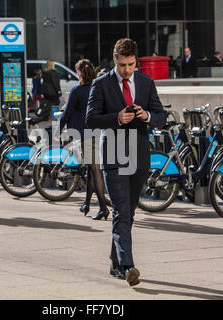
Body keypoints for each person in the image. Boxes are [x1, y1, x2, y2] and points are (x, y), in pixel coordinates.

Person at [86, 38, 166, 286]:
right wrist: (117, 118)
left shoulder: (146, 83)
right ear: (114, 61)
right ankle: (127, 266)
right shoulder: (101, 84)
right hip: (113, 156)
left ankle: (115, 261)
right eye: (122, 65)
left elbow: (161, 116)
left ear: (136, 62)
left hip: (139, 155)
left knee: (128, 213)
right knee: (121, 211)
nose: (127, 70)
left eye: (131, 65)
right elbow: (90, 119)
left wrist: (147, 115)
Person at [56, 59, 109, 220]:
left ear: (79, 73)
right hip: (100, 132)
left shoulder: (77, 91)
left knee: (95, 170)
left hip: (86, 135)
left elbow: (67, 113)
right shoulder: (98, 88)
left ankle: (103, 208)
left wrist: (58, 129)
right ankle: (86, 203)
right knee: (91, 170)